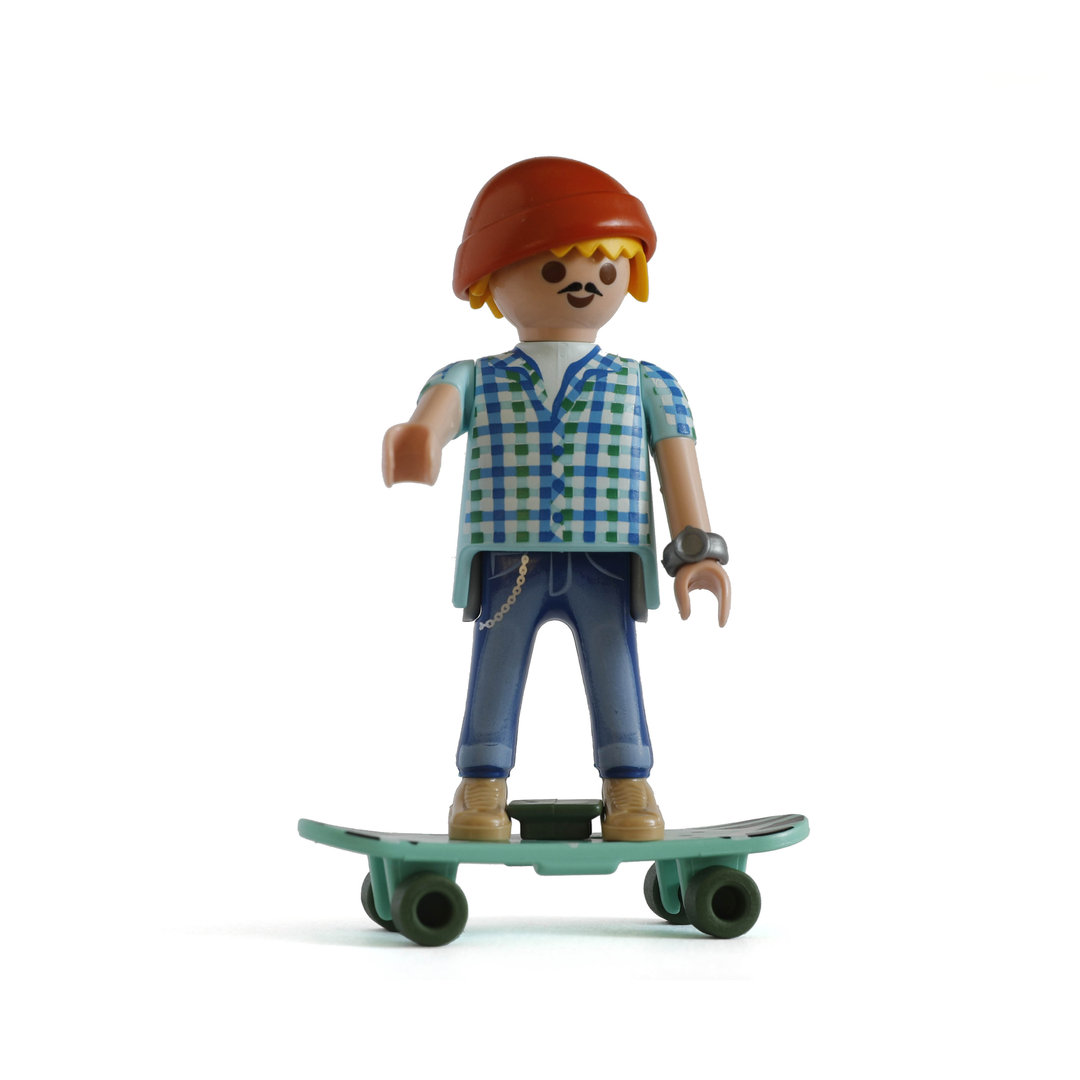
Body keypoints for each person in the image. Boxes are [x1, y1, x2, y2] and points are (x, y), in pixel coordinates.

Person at [382, 157, 730, 841]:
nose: (582, 284)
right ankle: (481, 783)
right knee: (496, 663)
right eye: (553, 269)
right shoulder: (474, 377)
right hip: (508, 556)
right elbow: (438, 414)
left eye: (605, 269)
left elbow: (678, 468)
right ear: (492, 280)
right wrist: (419, 437)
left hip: (606, 558)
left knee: (614, 664)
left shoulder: (647, 383)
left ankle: (628, 784)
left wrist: (695, 551)